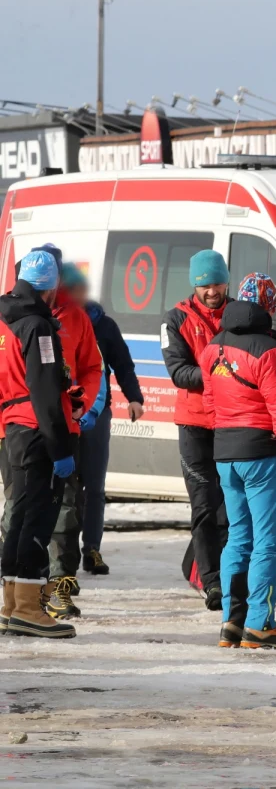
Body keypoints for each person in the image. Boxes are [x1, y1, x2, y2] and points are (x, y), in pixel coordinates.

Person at [201, 274, 276, 650]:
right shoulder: (269, 352)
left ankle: (231, 623)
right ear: (270, 307)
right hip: (262, 456)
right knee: (268, 541)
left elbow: (210, 405)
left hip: (225, 453)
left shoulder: (212, 347)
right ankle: (259, 622)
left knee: (238, 537)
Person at [0, 251, 76, 638]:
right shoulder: (39, 327)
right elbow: (45, 390)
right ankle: (29, 607)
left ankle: (12, 603)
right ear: (51, 287)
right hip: (37, 430)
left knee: (19, 516)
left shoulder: (5, 319)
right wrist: (60, 448)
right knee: (38, 519)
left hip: (13, 427)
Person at [60, 265, 144, 576]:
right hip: (62, 412)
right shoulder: (54, 322)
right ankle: (58, 551)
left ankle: (91, 548)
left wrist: (135, 398)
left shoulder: (103, 325)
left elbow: (123, 364)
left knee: (93, 486)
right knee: (65, 486)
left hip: (96, 415)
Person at [162, 249, 230, 611]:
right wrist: (223, 373)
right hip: (194, 425)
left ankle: (230, 575)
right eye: (204, 285)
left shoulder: (238, 313)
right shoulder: (176, 319)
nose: (211, 291)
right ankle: (212, 582)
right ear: (194, 284)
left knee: (230, 507)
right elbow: (178, 372)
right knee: (204, 506)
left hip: (233, 424)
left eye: (217, 283)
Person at [44, 251, 103, 620]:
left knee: (67, 506)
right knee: (21, 507)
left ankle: (59, 586)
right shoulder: (13, 316)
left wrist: (84, 404)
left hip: (66, 426)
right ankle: (20, 590)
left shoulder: (77, 319)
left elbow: (93, 367)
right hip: (19, 427)